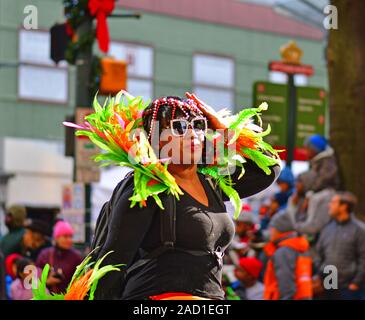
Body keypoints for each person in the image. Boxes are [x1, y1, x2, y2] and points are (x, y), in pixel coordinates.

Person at [85, 92, 280, 300]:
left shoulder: (213, 183)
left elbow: (269, 168)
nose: (193, 134)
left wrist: (224, 128)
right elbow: (113, 263)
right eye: (179, 127)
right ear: (155, 138)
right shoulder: (144, 188)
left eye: (198, 125)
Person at [315, 192, 365, 300]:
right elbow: (319, 254)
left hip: (350, 289)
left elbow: (363, 258)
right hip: (328, 286)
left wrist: (356, 283)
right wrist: (320, 274)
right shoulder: (327, 228)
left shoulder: (359, 229)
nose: (329, 205)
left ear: (343, 206)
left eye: (333, 202)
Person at [263, 212, 313, 300]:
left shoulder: (283, 252)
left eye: (272, 228)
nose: (270, 231)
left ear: (280, 229)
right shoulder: (301, 247)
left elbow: (286, 286)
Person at [36, 220, 83, 294]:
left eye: (71, 236)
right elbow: (35, 281)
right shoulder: (45, 255)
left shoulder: (77, 257)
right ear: (57, 238)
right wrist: (47, 282)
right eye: (65, 236)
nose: (69, 240)